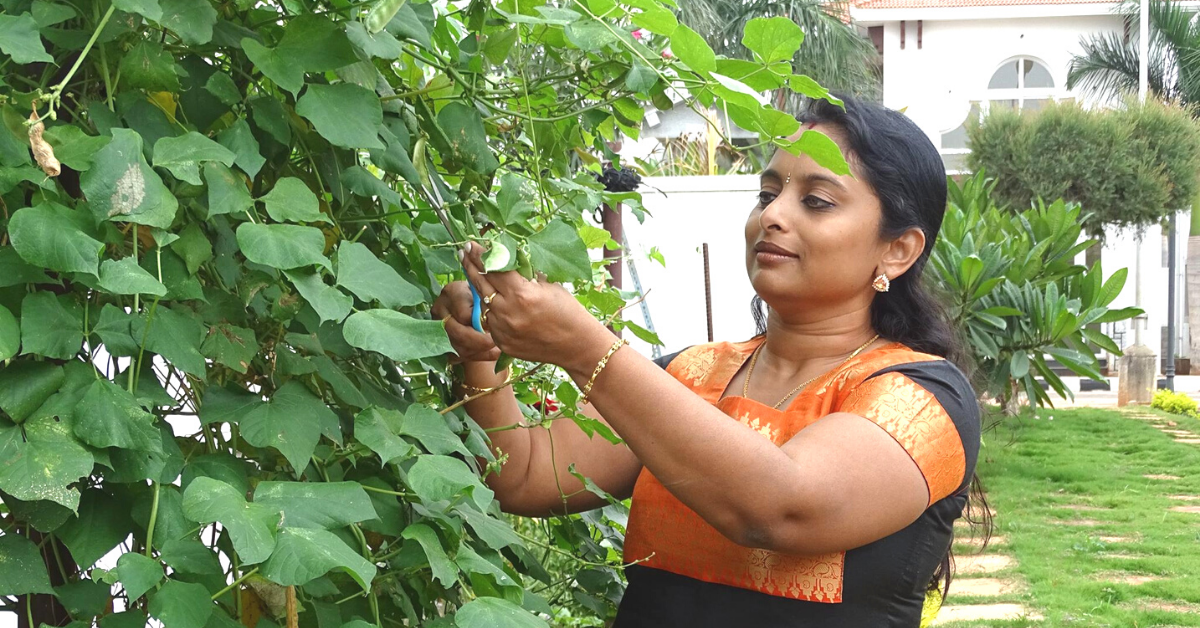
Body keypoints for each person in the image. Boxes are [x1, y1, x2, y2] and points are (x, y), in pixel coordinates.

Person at [431, 95, 984, 627]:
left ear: (899, 249)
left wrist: (584, 346)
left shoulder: (923, 397)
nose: (773, 217)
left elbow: (778, 508)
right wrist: (482, 353)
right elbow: (524, 475)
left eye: (816, 201)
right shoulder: (691, 374)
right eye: (767, 195)